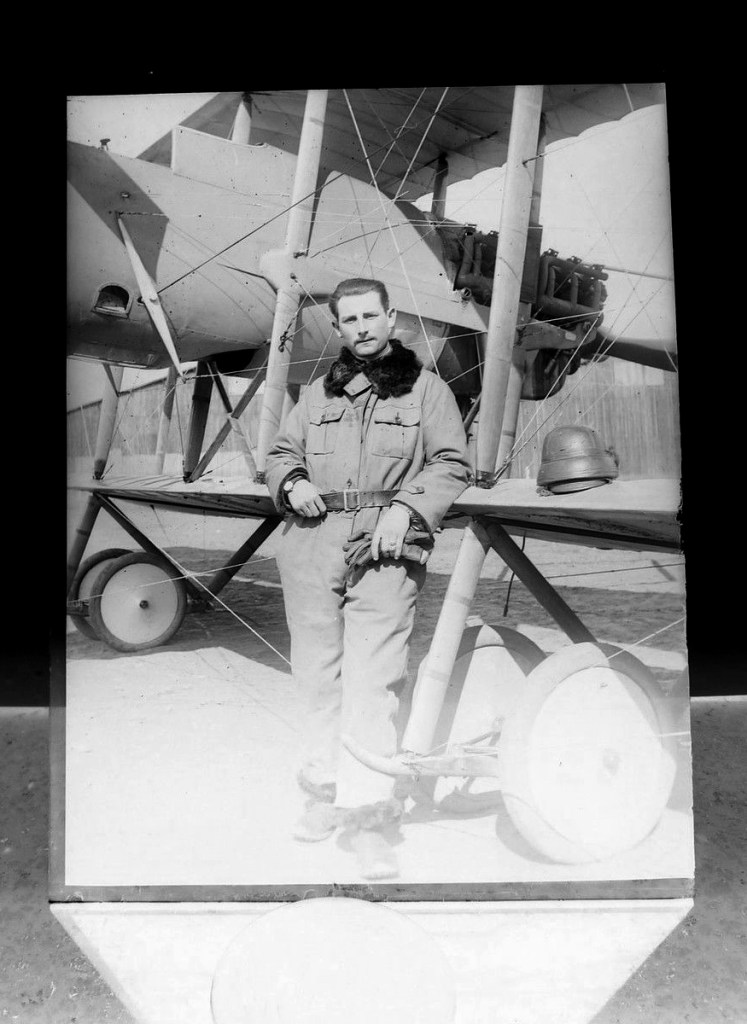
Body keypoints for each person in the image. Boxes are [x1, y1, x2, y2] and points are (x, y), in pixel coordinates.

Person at [265, 278, 470, 879]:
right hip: (312, 540)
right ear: (338, 326)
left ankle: (370, 822)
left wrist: (408, 508)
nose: (361, 328)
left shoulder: (426, 389)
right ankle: (321, 795)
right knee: (316, 676)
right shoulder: (317, 392)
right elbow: (280, 453)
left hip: (385, 544)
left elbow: (452, 462)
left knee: (373, 681)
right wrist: (292, 482)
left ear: (391, 317)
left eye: (370, 316)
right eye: (349, 319)